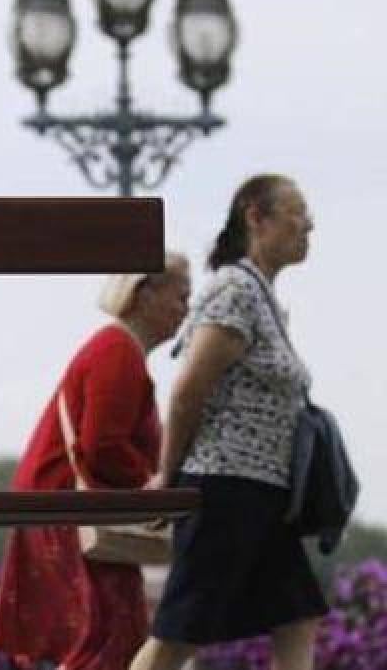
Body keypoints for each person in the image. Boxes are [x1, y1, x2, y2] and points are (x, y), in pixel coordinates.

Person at [130, 175, 325, 670]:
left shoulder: (262, 296)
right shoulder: (236, 289)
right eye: (297, 213)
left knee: (297, 618)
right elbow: (188, 389)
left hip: (264, 491)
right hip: (226, 487)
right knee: (179, 634)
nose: (309, 225)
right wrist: (166, 474)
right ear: (256, 217)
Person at [0, 253, 192, 670]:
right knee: (107, 635)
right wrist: (155, 487)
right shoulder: (117, 351)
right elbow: (102, 447)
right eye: (180, 296)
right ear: (145, 293)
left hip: (60, 509)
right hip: (68, 512)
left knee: (102, 633)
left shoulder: (117, 348)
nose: (185, 310)